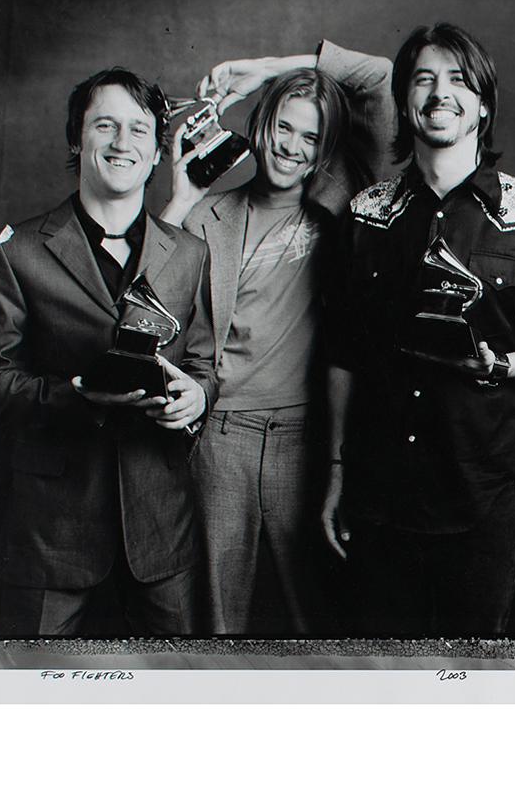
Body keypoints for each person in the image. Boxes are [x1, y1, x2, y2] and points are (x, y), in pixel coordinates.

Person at [322, 23, 515, 638]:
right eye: (423, 80)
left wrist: (503, 365)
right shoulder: (367, 215)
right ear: (402, 102)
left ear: (483, 103)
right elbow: (343, 356)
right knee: (381, 682)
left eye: (457, 80)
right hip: (379, 496)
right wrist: (337, 473)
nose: (439, 93)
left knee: (469, 686)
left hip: (484, 501)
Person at [161, 41, 397, 636]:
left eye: (310, 138)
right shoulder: (208, 214)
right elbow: (145, 302)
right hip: (218, 437)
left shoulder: (345, 201)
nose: (291, 147)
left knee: (318, 616)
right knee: (216, 617)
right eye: (282, 128)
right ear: (260, 126)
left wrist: (264, 68)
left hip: (306, 436)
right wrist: (181, 198)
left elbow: (380, 76)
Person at [0, 67, 217, 637]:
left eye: (139, 130)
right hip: (49, 536)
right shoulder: (16, 253)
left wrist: (196, 397)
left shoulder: (189, 254)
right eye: (104, 125)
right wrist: (75, 396)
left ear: (159, 153)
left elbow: (204, 365)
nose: (122, 142)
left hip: (162, 531)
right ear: (75, 139)